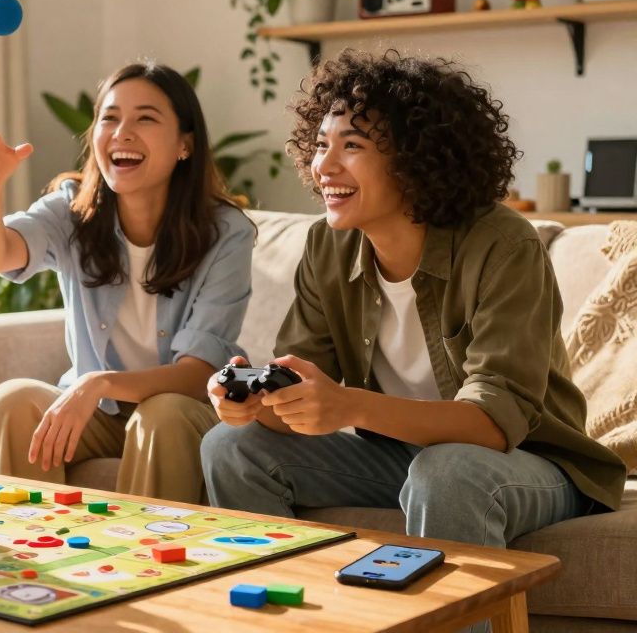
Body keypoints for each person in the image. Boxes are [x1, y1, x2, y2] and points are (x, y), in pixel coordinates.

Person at [201, 50, 624, 560]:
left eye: (351, 145)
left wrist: (348, 404)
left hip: (529, 462)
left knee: (447, 471)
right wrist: (253, 401)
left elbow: (493, 422)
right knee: (230, 447)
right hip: (400, 457)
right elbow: (304, 393)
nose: (323, 166)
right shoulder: (326, 247)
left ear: (416, 159)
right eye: (319, 145)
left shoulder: (502, 245)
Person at [0, 61, 255, 503]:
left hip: (180, 414)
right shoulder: (71, 209)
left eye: (145, 118)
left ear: (184, 144)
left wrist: (99, 382)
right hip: (98, 414)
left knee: (162, 415)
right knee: (12, 402)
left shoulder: (226, 233)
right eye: (110, 117)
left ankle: (149, 569)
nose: (122, 132)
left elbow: (197, 376)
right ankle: (20, 562)